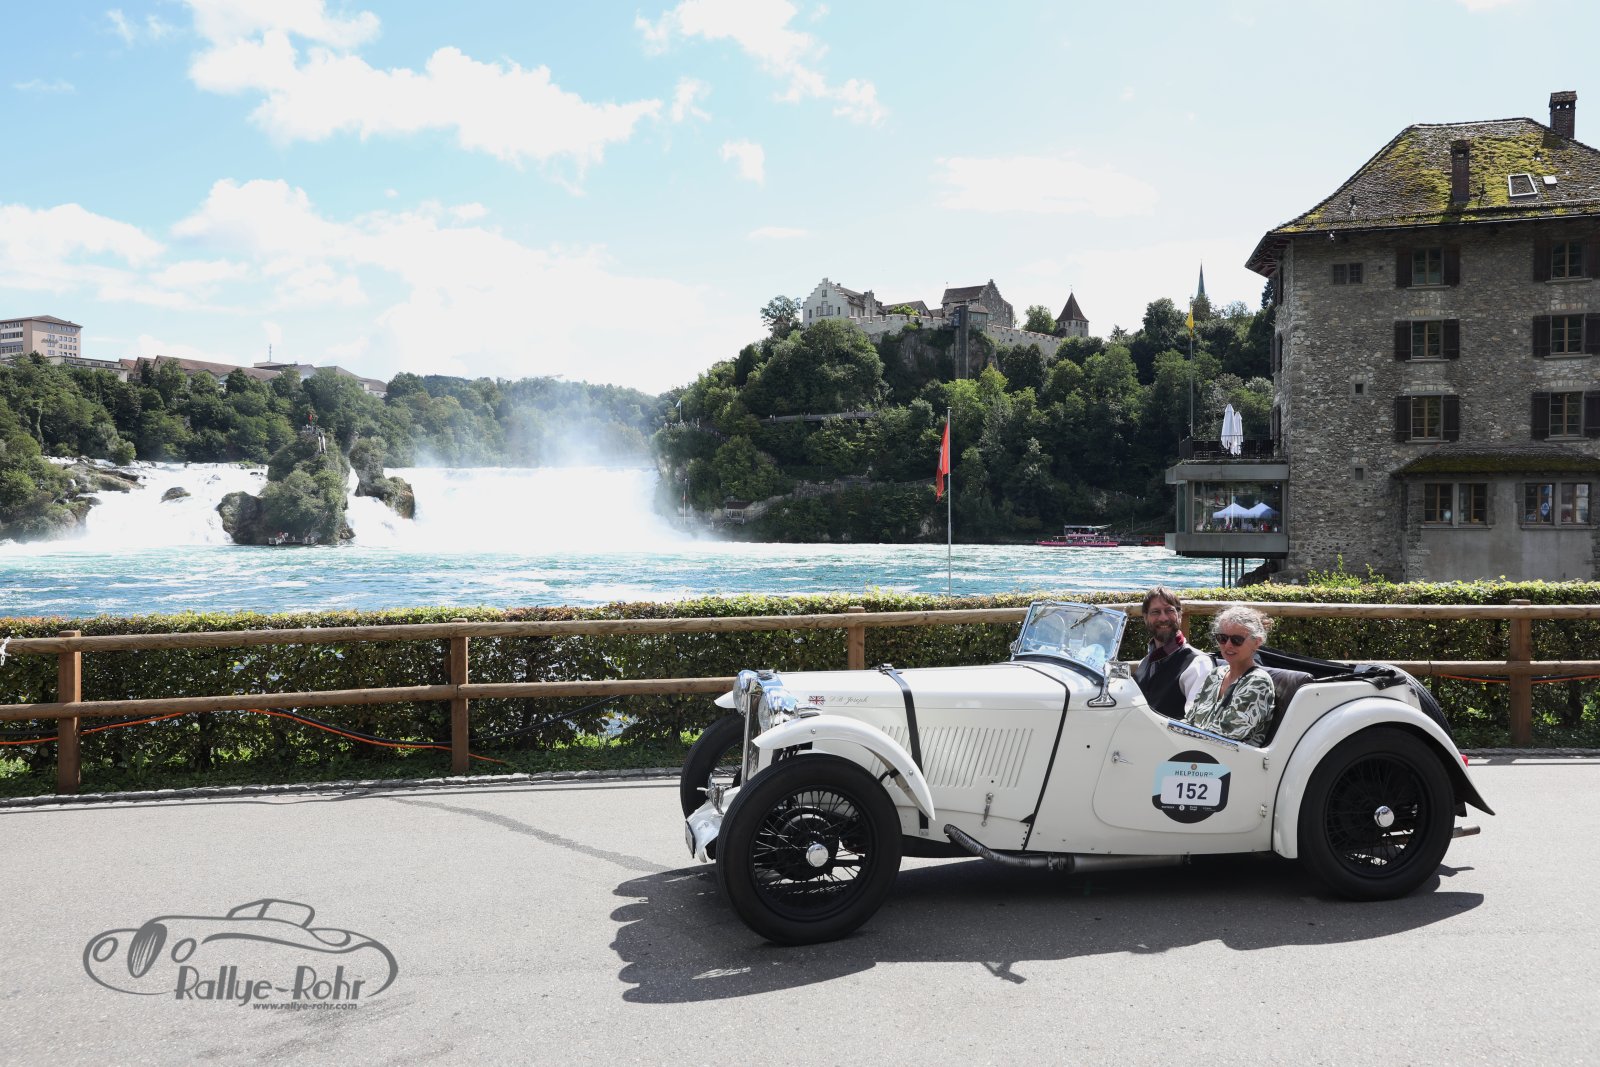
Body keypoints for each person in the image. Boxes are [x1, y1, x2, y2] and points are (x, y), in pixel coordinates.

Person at [1185, 604, 1276, 746]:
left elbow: (1225, 736)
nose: (1228, 645)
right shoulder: (1215, 674)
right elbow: (1190, 720)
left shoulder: (1258, 682)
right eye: (1222, 638)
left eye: (1237, 640)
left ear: (1257, 642)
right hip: (1197, 751)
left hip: (1229, 756)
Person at [1133, 587, 1210, 719]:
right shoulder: (1144, 663)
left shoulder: (1197, 664)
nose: (1163, 618)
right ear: (1145, 618)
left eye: (1169, 610)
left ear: (1179, 615)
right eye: (1155, 612)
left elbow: (1196, 722)